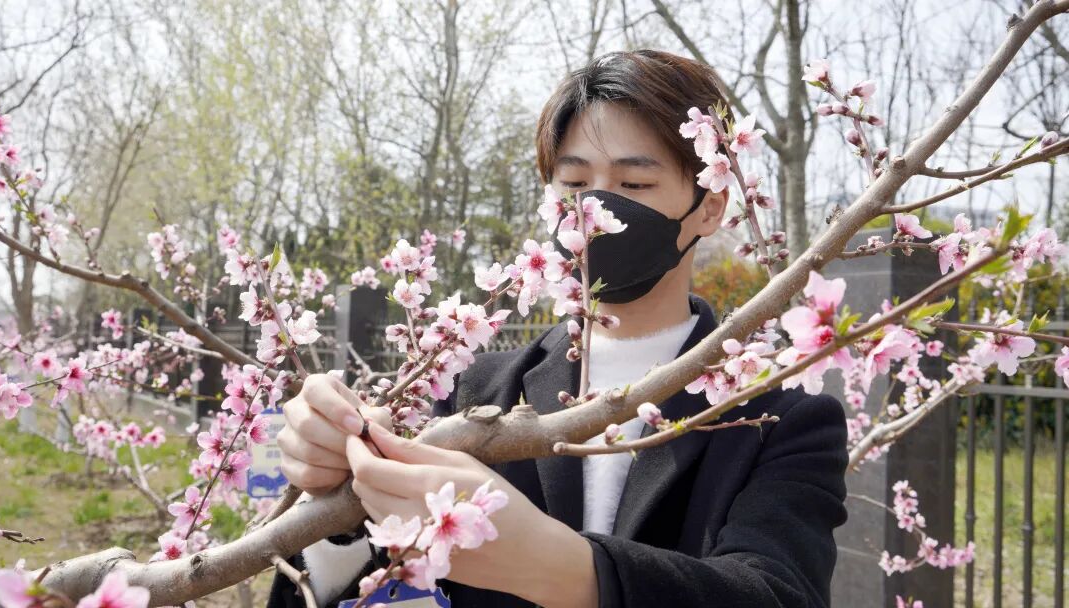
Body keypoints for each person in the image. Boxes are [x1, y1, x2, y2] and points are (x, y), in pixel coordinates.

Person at [267, 49, 848, 608]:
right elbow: (359, 587)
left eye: (634, 185)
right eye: (574, 185)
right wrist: (332, 506)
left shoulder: (781, 412)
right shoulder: (471, 389)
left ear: (711, 206)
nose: (597, 207)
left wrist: (561, 566)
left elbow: (778, 592)